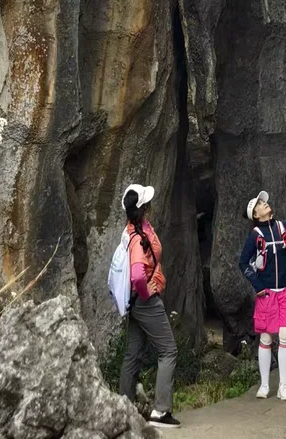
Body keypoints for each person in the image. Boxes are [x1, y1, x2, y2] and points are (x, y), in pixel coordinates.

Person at [238, 180, 286, 401]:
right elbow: (243, 263)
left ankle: (283, 386)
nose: (265, 204)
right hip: (267, 293)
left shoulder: (281, 226)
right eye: (261, 204)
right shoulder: (256, 235)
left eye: (265, 202)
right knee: (266, 337)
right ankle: (264, 385)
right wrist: (258, 286)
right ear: (256, 215)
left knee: (285, 334)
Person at [118, 182, 179, 429]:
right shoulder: (137, 239)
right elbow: (136, 274)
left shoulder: (137, 228)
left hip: (135, 302)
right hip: (145, 302)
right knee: (169, 351)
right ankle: (161, 412)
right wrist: (146, 293)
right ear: (143, 208)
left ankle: (123, 408)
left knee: (133, 353)